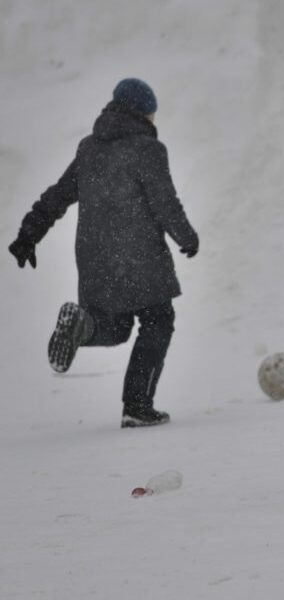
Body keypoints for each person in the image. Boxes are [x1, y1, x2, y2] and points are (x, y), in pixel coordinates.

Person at [8, 78, 199, 428]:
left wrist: (29, 232)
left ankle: (83, 327)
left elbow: (58, 195)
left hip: (95, 259)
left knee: (114, 326)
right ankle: (137, 406)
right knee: (158, 321)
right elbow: (164, 202)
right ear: (143, 113)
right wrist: (186, 236)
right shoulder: (148, 150)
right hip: (138, 256)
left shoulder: (89, 149)